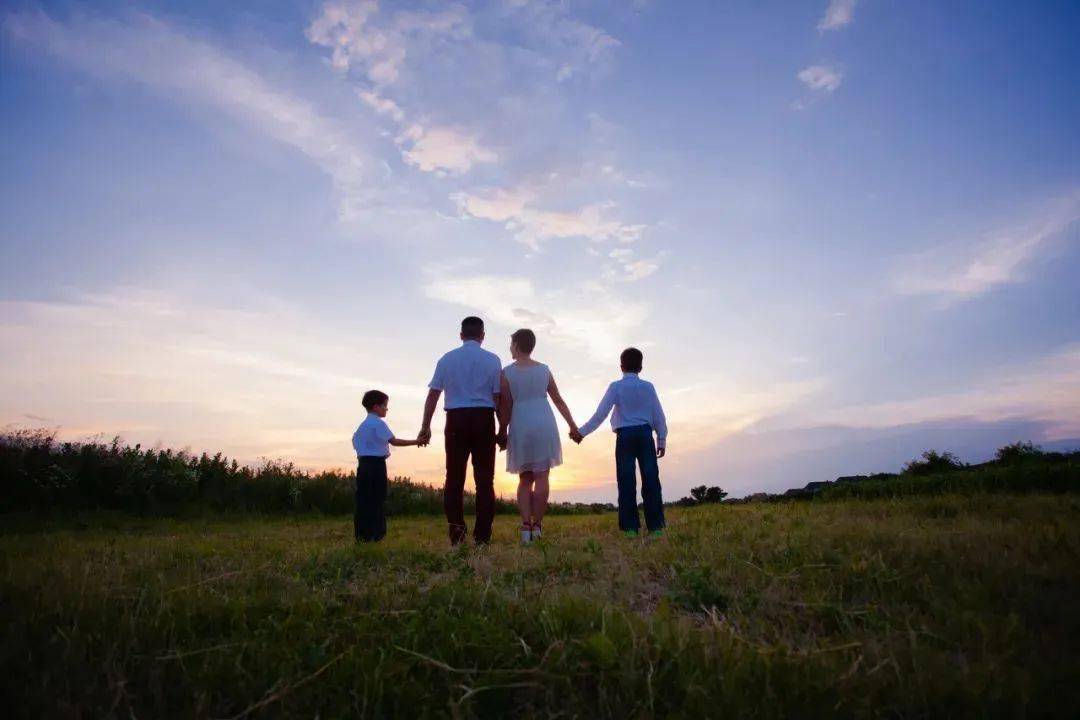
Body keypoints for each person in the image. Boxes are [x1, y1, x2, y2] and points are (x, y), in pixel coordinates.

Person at [419, 316, 504, 545]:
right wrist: (503, 428)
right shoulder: (493, 360)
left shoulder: (446, 359)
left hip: (456, 419)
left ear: (461, 335)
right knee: (485, 481)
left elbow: (433, 395)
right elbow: (498, 398)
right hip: (484, 418)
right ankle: (482, 537)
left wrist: (425, 426)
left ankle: (457, 534)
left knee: (454, 479)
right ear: (482, 336)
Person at [573, 347, 668, 537]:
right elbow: (658, 415)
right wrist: (662, 439)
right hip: (644, 434)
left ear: (621, 366)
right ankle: (656, 528)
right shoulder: (648, 387)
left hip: (624, 437)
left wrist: (581, 432)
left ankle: (631, 529)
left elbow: (600, 414)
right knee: (651, 480)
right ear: (641, 366)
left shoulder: (616, 387)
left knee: (626, 481)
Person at [498, 328, 579, 543]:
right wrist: (572, 425)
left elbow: (505, 407)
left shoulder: (506, 373)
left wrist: (501, 431)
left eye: (511, 344)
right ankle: (538, 526)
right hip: (544, 421)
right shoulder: (544, 370)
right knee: (542, 475)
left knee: (525, 478)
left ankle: (526, 527)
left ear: (516, 345)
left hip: (521, 423)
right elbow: (558, 400)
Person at [351, 389, 425, 542]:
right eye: (385, 406)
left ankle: (361, 534)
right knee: (377, 499)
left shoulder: (361, 427)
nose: (386, 409)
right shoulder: (378, 424)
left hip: (362, 465)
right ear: (376, 406)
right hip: (376, 465)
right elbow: (394, 441)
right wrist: (417, 442)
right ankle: (376, 534)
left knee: (363, 500)